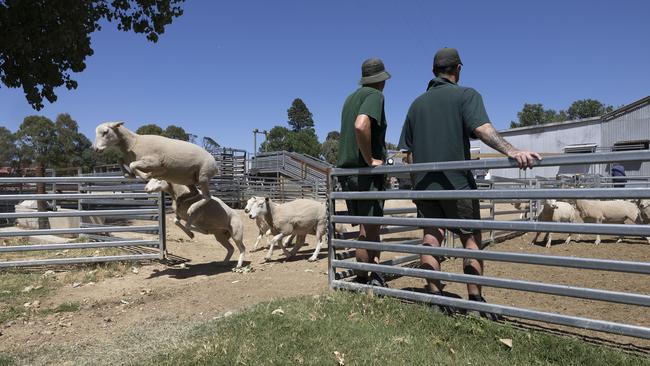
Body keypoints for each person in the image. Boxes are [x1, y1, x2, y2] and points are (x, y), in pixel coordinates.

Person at [398, 48, 541, 316]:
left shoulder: (416, 105)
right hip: (458, 185)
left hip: (426, 187)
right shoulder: (466, 95)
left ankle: (436, 299)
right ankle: (475, 301)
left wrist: (418, 188)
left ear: (433, 72)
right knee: (471, 240)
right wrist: (512, 151)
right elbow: (482, 129)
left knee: (431, 238)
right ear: (458, 69)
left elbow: (409, 154)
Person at [337, 58, 390, 287]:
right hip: (366, 174)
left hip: (348, 173)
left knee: (363, 228)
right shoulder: (375, 96)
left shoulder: (350, 98)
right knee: (371, 228)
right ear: (381, 80)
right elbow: (361, 125)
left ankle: (362, 277)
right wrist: (371, 159)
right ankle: (375, 278)